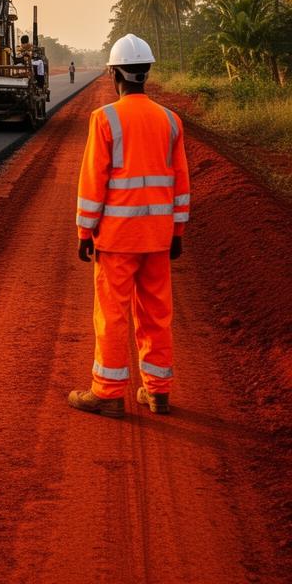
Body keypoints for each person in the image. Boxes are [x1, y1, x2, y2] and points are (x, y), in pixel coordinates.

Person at [68, 34, 190, 418]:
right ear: (147, 73)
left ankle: (107, 393)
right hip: (157, 236)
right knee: (157, 313)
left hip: (117, 239)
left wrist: (84, 232)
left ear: (113, 73)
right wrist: (178, 233)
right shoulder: (171, 120)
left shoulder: (105, 118)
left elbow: (93, 182)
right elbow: (181, 184)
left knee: (113, 314)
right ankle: (158, 392)